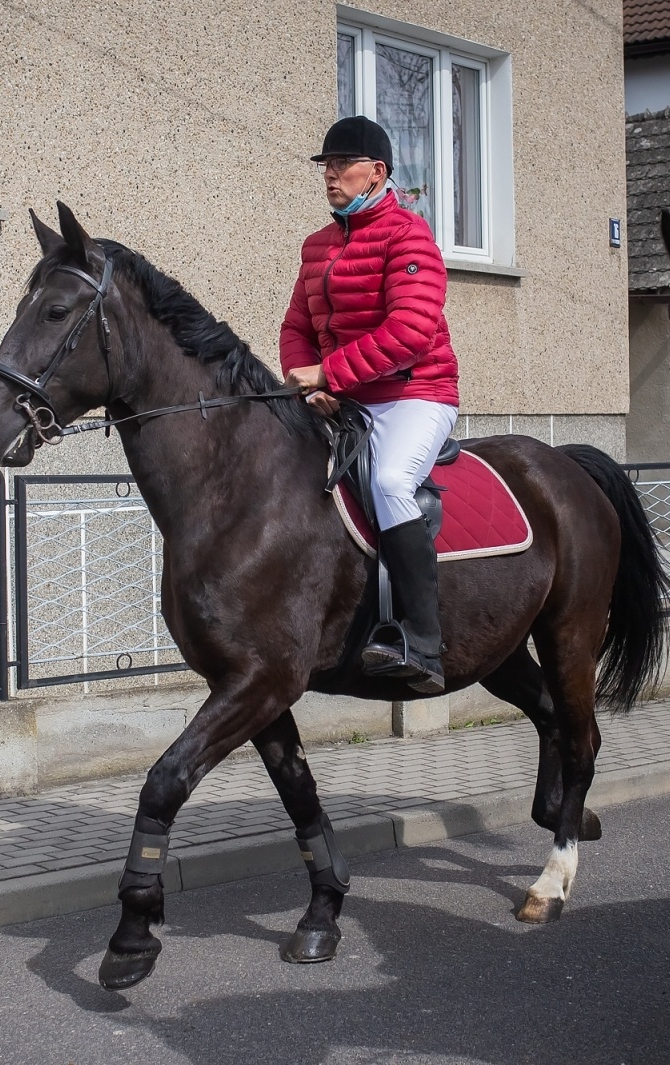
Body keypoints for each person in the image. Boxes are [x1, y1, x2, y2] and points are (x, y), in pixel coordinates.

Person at [280, 116, 461, 695]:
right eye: (325, 167)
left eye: (341, 165)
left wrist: (331, 372)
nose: (329, 175)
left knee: (387, 481)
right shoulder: (316, 246)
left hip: (415, 395)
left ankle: (423, 643)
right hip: (342, 399)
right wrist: (313, 385)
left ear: (376, 173)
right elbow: (297, 327)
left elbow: (410, 331)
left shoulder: (410, 237)